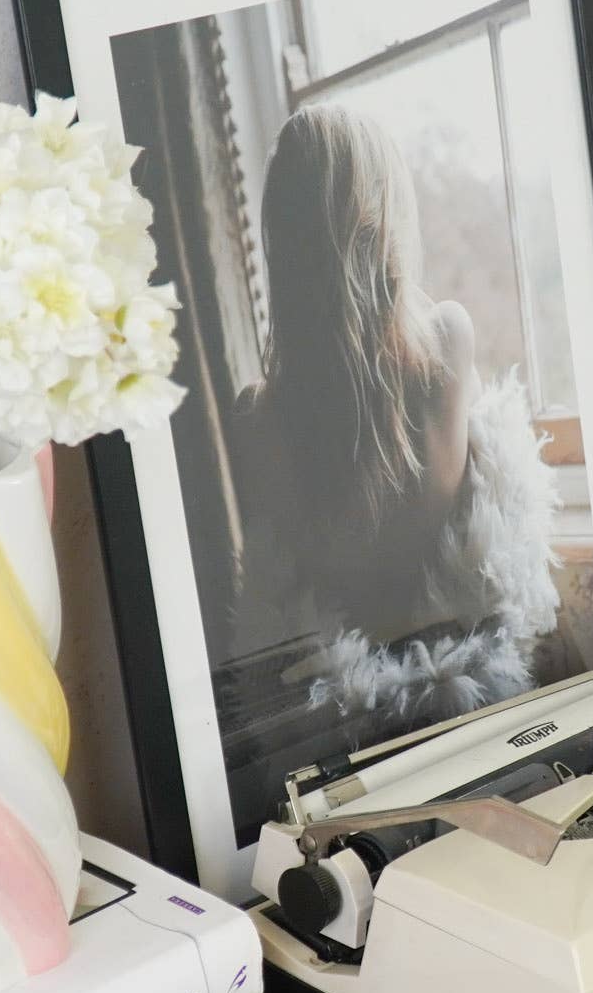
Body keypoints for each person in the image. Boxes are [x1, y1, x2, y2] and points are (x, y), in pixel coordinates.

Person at [233, 102, 560, 738]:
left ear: (283, 243)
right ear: (384, 223)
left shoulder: (258, 418)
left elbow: (285, 586)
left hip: (345, 719)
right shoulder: (446, 342)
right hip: (464, 693)